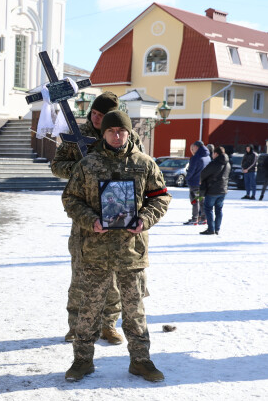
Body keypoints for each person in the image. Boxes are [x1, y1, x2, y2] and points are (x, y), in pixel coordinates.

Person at [61, 110, 171, 383]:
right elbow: (70, 200)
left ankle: (141, 361)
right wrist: (90, 220)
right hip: (95, 251)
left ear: (129, 132)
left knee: (134, 310)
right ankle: (82, 360)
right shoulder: (88, 165)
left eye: (121, 131)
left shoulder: (144, 164)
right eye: (111, 131)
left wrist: (145, 219)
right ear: (104, 133)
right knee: (89, 308)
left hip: (130, 251)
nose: (117, 135)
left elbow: (160, 198)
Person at [51, 91, 145, 345]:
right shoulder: (76, 134)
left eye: (102, 115)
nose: (95, 118)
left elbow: (141, 167)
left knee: (114, 276)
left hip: (120, 211)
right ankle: (76, 324)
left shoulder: (128, 136)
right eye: (93, 113)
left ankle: (108, 324)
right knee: (81, 272)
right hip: (87, 214)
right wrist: (82, 169)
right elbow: (56, 165)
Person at [199, 146, 231, 235]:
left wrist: (203, 181)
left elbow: (204, 173)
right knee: (219, 210)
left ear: (216, 154)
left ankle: (211, 229)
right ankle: (217, 229)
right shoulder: (228, 164)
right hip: (223, 190)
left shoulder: (215, 163)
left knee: (208, 209)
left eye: (213, 153)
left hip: (212, 190)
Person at [184, 141, 211, 225]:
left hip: (195, 183)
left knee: (195, 201)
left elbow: (191, 170)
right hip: (203, 183)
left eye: (193, 148)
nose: (192, 149)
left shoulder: (196, 157)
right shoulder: (208, 157)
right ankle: (203, 218)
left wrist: (187, 178)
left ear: (196, 147)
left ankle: (194, 219)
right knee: (201, 201)